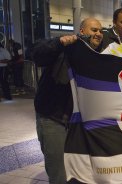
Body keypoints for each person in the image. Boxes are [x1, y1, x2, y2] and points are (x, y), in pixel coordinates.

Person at [32, 17, 103, 184]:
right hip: (54, 118)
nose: (99, 33)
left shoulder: (99, 57)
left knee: (80, 171)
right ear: (82, 31)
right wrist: (59, 42)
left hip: (79, 124)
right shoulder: (64, 49)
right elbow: (37, 54)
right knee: (60, 173)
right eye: (94, 30)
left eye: (101, 30)